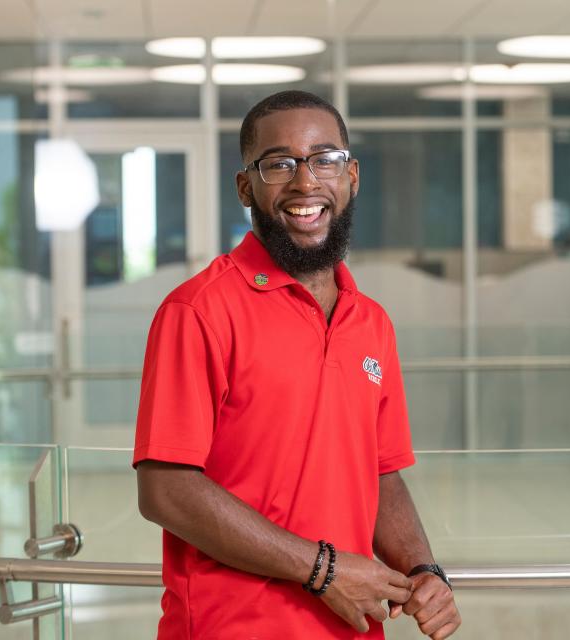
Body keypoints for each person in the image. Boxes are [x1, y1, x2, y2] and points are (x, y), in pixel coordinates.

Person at [133, 90, 461, 640]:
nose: (305, 183)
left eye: (324, 159)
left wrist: (423, 569)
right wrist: (325, 571)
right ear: (246, 186)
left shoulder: (371, 322)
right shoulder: (198, 310)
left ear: (351, 176)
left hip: (351, 627)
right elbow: (166, 489)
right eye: (279, 163)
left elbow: (379, 472)